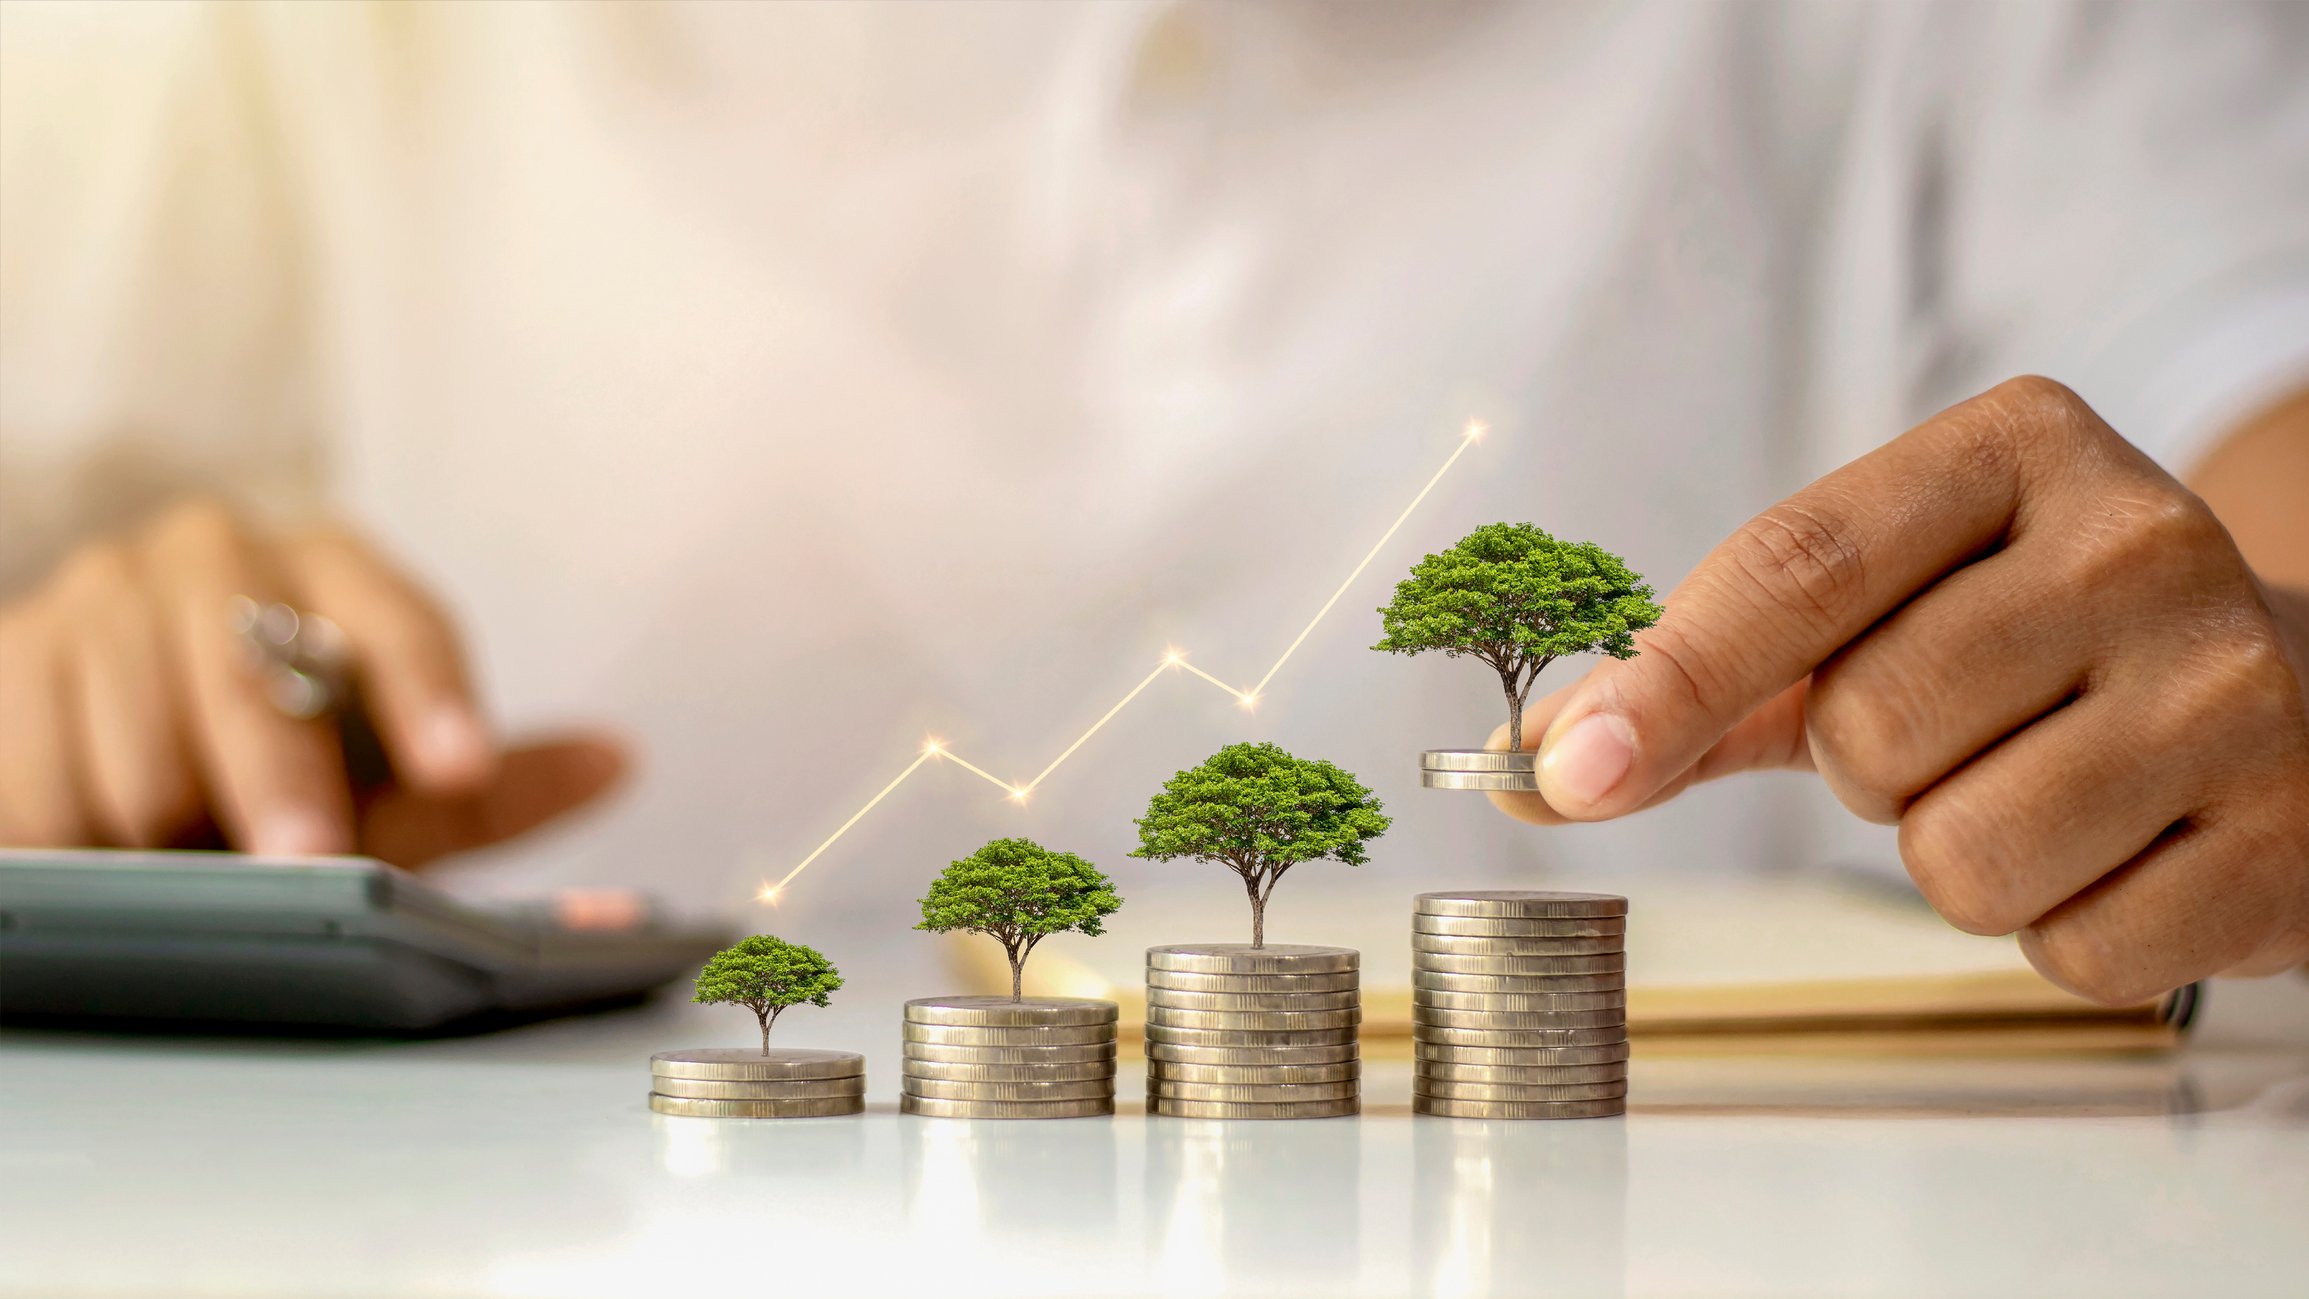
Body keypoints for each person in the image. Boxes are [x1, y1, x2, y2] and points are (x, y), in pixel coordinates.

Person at [1, 1, 2303, 1004]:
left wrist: (2267, 701)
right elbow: (62, 651)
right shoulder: (238, 45)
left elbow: (2259, 539)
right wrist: (114, 733)